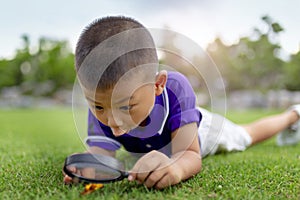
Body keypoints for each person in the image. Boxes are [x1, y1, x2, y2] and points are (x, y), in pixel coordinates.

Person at [63, 16, 300, 189]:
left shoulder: (175, 89)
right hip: (161, 143)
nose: (112, 122)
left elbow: (189, 155)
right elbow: (103, 152)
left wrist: (175, 167)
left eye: (126, 106)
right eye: (98, 107)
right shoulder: (101, 104)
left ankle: (293, 116)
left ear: (158, 84)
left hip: (198, 129)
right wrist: (91, 165)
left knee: (245, 135)